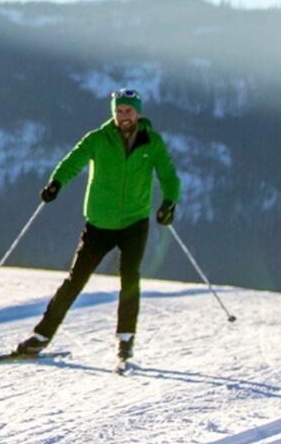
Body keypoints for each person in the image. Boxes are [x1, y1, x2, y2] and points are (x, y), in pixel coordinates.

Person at [14, 88, 181, 366]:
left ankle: (125, 339)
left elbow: (169, 176)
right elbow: (73, 161)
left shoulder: (152, 142)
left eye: (128, 111)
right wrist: (56, 183)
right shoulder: (98, 139)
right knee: (75, 280)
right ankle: (41, 337)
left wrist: (169, 203)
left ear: (138, 112)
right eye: (118, 111)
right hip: (99, 223)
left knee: (129, 278)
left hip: (135, 222)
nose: (123, 116)